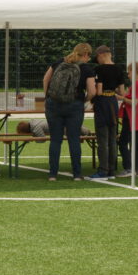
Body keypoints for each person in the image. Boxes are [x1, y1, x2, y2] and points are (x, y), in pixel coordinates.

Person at [42, 43, 96, 181]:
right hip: (74, 105)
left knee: (55, 140)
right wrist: (83, 100)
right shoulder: (87, 69)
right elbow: (92, 91)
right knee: (74, 140)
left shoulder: (59, 62)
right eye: (89, 56)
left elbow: (45, 79)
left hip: (53, 104)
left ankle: (52, 174)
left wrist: (48, 96)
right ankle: (77, 174)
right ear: (85, 55)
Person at [86, 45, 125, 180]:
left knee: (102, 139)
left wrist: (89, 100)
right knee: (113, 139)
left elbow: (99, 91)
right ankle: (111, 170)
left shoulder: (99, 69)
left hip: (102, 104)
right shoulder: (119, 69)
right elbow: (122, 92)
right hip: (113, 104)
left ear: (101, 55)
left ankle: (103, 170)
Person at [116, 61, 138, 177]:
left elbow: (134, 102)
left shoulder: (136, 85)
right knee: (136, 143)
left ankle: (129, 168)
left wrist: (119, 97)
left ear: (135, 72)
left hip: (130, 117)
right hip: (135, 117)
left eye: (129, 72)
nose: (128, 75)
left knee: (123, 142)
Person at [16, 119, 91, 137]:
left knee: (74, 132)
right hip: (58, 123)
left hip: (59, 128)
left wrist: (34, 138)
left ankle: (87, 132)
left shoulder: (36, 128)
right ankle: (86, 131)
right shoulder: (33, 121)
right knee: (74, 126)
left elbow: (42, 139)